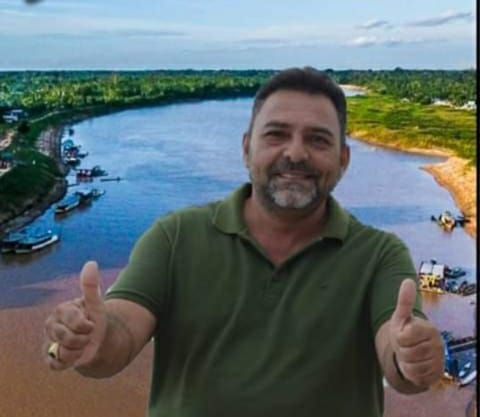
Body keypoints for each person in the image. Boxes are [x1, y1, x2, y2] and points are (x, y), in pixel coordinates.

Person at [44, 67, 444, 416]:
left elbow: (397, 353)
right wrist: (93, 339)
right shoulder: (175, 237)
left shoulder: (379, 256)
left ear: (343, 160)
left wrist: (413, 356)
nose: (295, 153)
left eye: (318, 140)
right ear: (246, 149)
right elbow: (120, 333)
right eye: (276, 135)